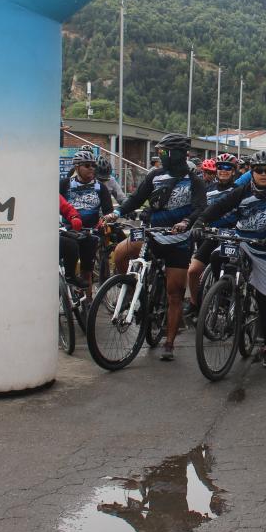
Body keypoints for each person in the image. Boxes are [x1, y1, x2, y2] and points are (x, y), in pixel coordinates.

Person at [106, 133, 206, 361]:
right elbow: (135, 198)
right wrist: (116, 213)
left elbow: (201, 208)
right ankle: (134, 295)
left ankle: (169, 342)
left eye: (164, 152)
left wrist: (186, 223)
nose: (161, 156)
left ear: (179, 154)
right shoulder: (155, 176)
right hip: (151, 234)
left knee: (174, 294)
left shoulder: (195, 181)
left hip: (178, 242)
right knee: (120, 252)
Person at [192, 151, 266, 366]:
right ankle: (224, 294)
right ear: (252, 172)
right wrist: (200, 221)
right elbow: (219, 207)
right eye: (259, 170)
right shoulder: (241, 191)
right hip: (241, 239)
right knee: (217, 256)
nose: (263, 174)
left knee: (264, 297)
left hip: (265, 247)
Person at [187, 152, 242, 313]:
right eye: (220, 167)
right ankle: (194, 304)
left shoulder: (240, 190)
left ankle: (225, 296)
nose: (223, 170)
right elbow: (200, 211)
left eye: (228, 168)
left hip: (232, 237)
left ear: (233, 171)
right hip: (211, 235)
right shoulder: (207, 189)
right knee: (193, 270)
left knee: (229, 271)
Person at [59, 149, 113, 288]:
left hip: (90, 231)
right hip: (69, 229)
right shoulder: (64, 184)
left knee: (86, 272)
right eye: (87, 165)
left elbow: (108, 211)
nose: (92, 169)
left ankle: (88, 304)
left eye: (93, 165)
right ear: (77, 167)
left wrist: (104, 220)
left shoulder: (100, 187)